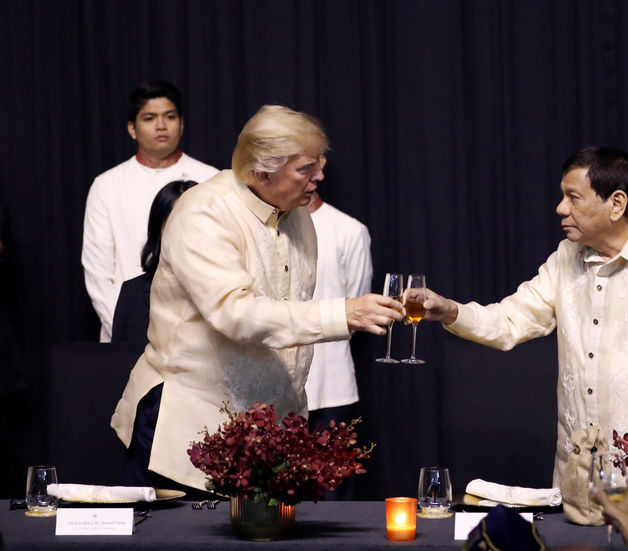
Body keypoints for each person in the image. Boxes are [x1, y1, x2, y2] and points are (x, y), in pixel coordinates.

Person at [110, 105, 402, 492]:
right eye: (305, 169)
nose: (320, 176)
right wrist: (343, 313)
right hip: (187, 426)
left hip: (260, 435)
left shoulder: (298, 217)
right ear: (262, 170)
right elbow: (237, 314)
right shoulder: (203, 213)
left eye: (319, 165)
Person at [422, 146, 628, 490]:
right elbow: (511, 320)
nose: (561, 208)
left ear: (616, 204)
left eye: (573, 197)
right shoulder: (565, 259)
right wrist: (451, 311)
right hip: (577, 491)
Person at [82, 80, 218, 342]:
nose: (161, 125)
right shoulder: (107, 185)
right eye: (149, 118)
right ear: (132, 128)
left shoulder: (210, 179)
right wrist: (127, 326)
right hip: (125, 333)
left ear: (182, 124)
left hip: (198, 336)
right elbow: (98, 271)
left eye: (170, 116)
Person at [305, 189, 373, 431]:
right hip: (271, 387)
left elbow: (357, 311)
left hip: (331, 386)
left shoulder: (349, 230)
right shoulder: (263, 227)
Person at [111, 180, 198, 343]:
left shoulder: (229, 293)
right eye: (176, 223)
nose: (187, 233)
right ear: (159, 230)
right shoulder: (132, 294)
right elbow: (118, 361)